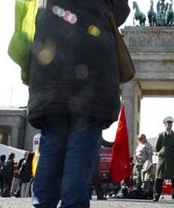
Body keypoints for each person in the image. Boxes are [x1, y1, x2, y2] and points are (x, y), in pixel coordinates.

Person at [27, 1, 130, 207]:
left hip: (50, 69)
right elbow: (120, 11)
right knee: (80, 151)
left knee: (52, 145)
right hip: (92, 73)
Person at [153, 116, 174, 203]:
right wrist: (163, 150)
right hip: (163, 160)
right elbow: (157, 147)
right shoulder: (161, 135)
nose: (169, 125)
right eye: (168, 123)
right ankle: (156, 197)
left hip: (173, 159)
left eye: (171, 123)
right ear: (165, 125)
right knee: (159, 179)